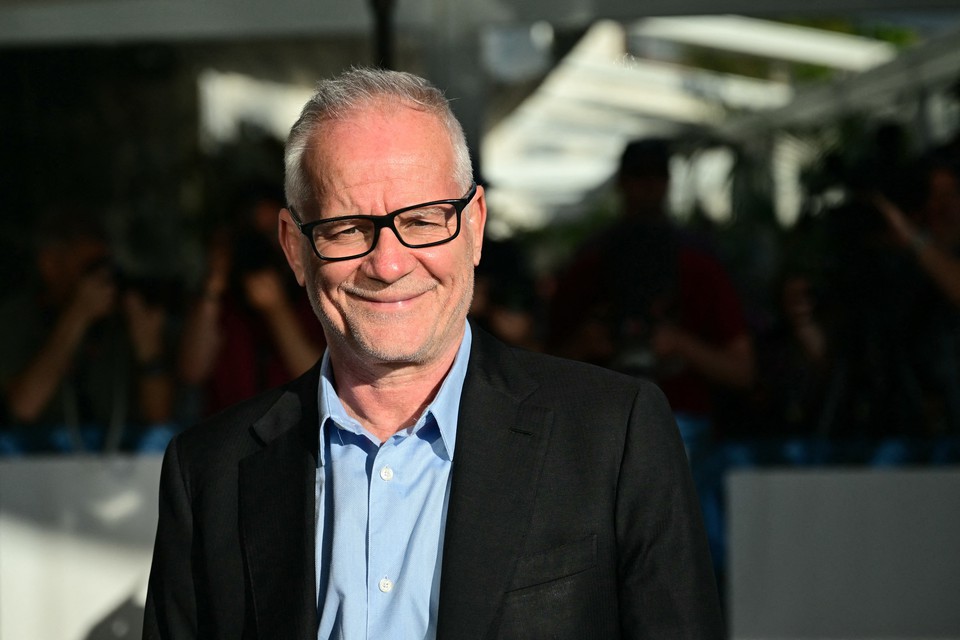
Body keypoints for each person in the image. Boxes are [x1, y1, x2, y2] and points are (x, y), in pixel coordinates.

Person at [144, 68, 722, 639]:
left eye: (423, 222)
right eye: (347, 228)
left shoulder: (613, 436)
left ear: (474, 227)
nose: (389, 264)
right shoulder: (209, 475)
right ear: (295, 249)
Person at [0, 204, 174, 452]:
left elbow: (159, 420)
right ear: (49, 265)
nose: (102, 279)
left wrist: (148, 346)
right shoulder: (16, 318)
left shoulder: (120, 319)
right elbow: (23, 408)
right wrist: (76, 318)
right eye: (90, 269)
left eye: (106, 268)